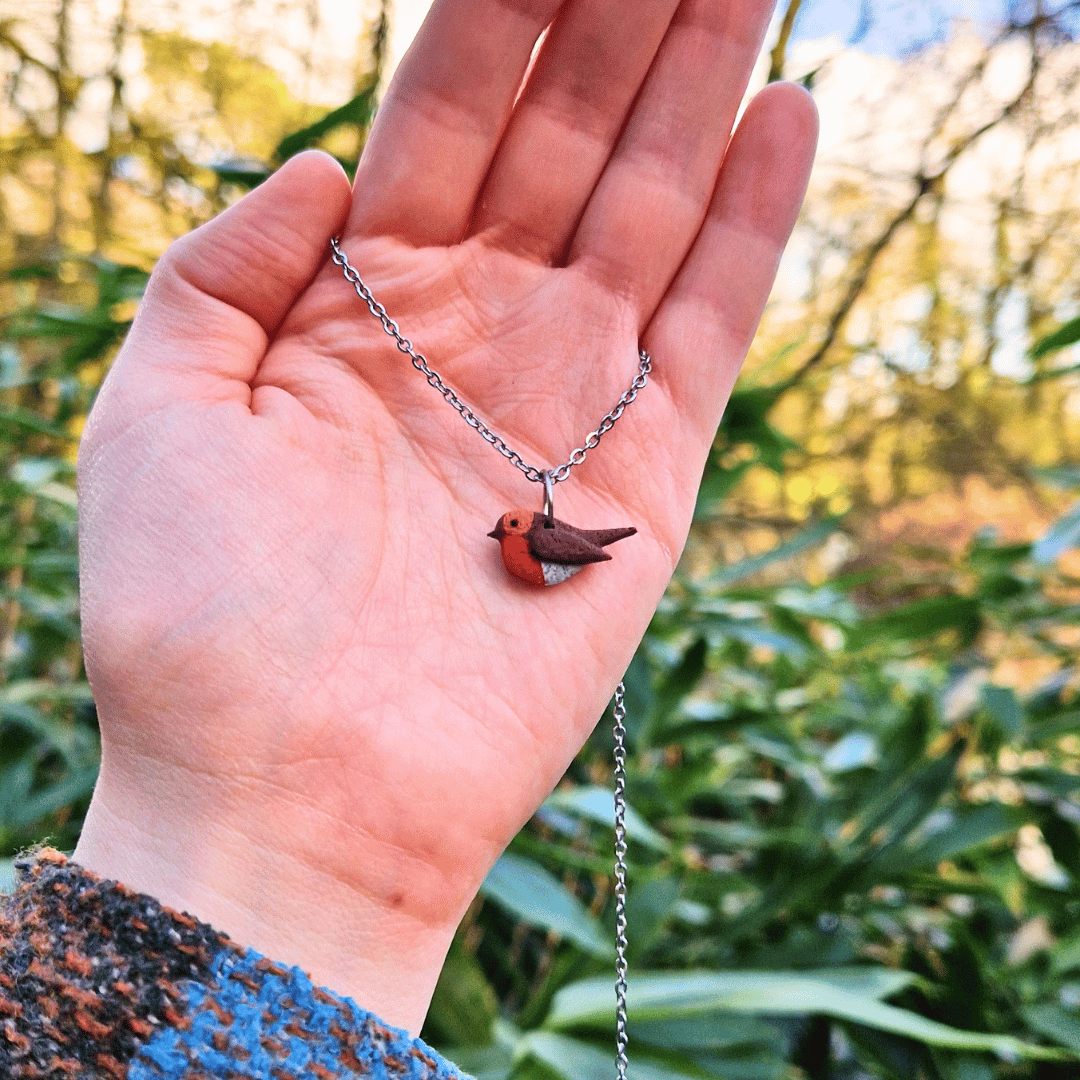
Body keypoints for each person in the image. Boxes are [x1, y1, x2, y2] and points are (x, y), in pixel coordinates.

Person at [0, 0, 818, 1074]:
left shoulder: (548, 537)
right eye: (522, 525)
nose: (512, 530)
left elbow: (571, 540)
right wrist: (238, 821)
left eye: (523, 525)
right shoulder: (518, 531)